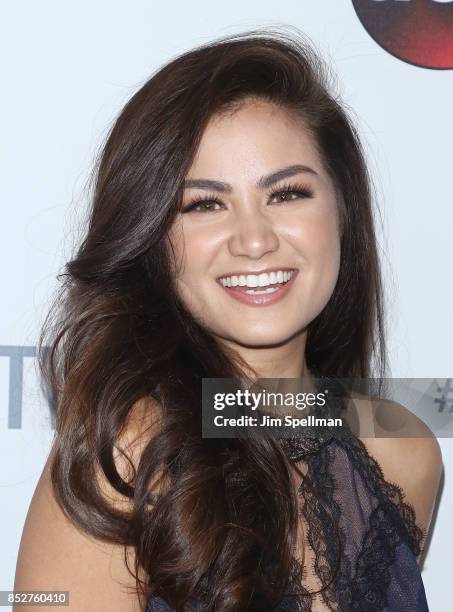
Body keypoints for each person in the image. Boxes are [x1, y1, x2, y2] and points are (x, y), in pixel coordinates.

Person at [14, 28, 442, 611]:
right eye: (204, 204)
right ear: (151, 240)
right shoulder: (127, 462)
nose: (254, 240)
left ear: (342, 210)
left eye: (287, 194)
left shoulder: (406, 453)